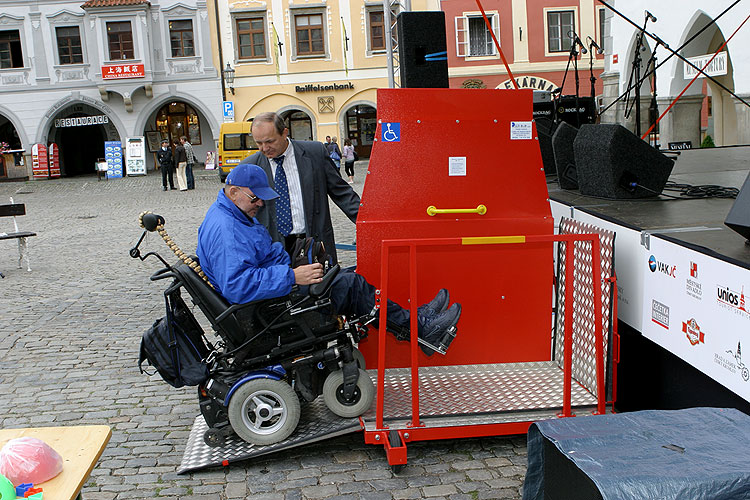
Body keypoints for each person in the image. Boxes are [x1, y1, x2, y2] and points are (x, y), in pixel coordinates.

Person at [197, 163, 462, 355]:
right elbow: (237, 285)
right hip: (266, 310)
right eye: (255, 198)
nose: (261, 204)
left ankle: (416, 321)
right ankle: (420, 329)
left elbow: (261, 256)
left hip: (271, 296)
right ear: (233, 192)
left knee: (346, 275)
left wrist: (297, 259)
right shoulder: (226, 230)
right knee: (351, 286)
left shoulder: (235, 217)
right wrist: (292, 275)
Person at [240, 112, 359, 264]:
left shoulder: (315, 153)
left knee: (322, 287)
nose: (264, 148)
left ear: (284, 133)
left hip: (314, 243)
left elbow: (342, 193)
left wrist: (369, 223)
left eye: (270, 141)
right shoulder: (250, 167)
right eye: (259, 143)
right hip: (273, 250)